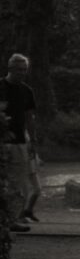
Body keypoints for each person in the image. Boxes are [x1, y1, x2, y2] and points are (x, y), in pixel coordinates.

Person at [0, 53, 39, 232]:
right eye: (18, 70)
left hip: (19, 141)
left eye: (24, 70)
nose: (22, 73)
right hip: (3, 140)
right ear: (10, 69)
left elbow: (29, 117)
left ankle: (13, 218)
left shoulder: (26, 91)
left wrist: (33, 140)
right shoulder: (1, 87)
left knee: (19, 183)